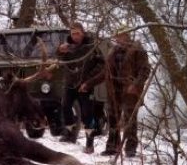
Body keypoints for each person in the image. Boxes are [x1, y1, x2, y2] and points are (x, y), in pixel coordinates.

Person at [79, 28, 151, 157]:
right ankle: (112, 147)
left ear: (127, 35)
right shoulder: (113, 51)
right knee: (113, 119)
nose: (118, 38)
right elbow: (105, 73)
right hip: (114, 91)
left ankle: (130, 149)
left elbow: (145, 71)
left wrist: (135, 85)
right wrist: (88, 84)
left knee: (129, 120)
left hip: (130, 91)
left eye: (121, 35)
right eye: (117, 36)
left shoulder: (138, 50)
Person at [56, 22, 105, 154]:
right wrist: (59, 51)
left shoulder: (91, 46)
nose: (75, 36)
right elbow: (60, 59)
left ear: (83, 33)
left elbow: (101, 65)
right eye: (73, 33)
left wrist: (88, 81)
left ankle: (89, 143)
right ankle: (69, 134)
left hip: (85, 85)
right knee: (65, 106)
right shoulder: (67, 46)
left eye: (78, 33)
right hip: (70, 83)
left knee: (87, 115)